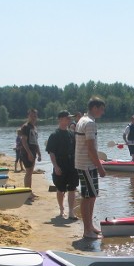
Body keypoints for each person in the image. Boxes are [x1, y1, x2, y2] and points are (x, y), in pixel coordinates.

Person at [75, 97, 107, 239]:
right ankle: (87, 231)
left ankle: (90, 226)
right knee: (88, 197)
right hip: (87, 165)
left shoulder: (82, 120)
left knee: (91, 196)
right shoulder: (89, 123)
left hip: (84, 163)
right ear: (94, 108)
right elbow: (90, 148)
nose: (102, 112)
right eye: (101, 109)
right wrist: (100, 167)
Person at [46, 110, 79, 219]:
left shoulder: (71, 134)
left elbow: (76, 150)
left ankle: (71, 211)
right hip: (60, 163)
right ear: (60, 119)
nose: (69, 119)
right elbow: (51, 152)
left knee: (72, 188)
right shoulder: (54, 135)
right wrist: (55, 166)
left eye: (70, 118)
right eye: (67, 118)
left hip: (72, 163)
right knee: (60, 189)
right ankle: (61, 209)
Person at [20, 109, 41, 199]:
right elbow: (24, 141)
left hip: (33, 151)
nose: (33, 118)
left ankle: (29, 191)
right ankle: (27, 192)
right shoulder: (25, 127)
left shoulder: (34, 128)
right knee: (28, 172)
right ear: (28, 116)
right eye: (32, 116)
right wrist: (29, 153)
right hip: (26, 152)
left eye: (35, 116)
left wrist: (39, 153)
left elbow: (36, 142)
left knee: (30, 172)